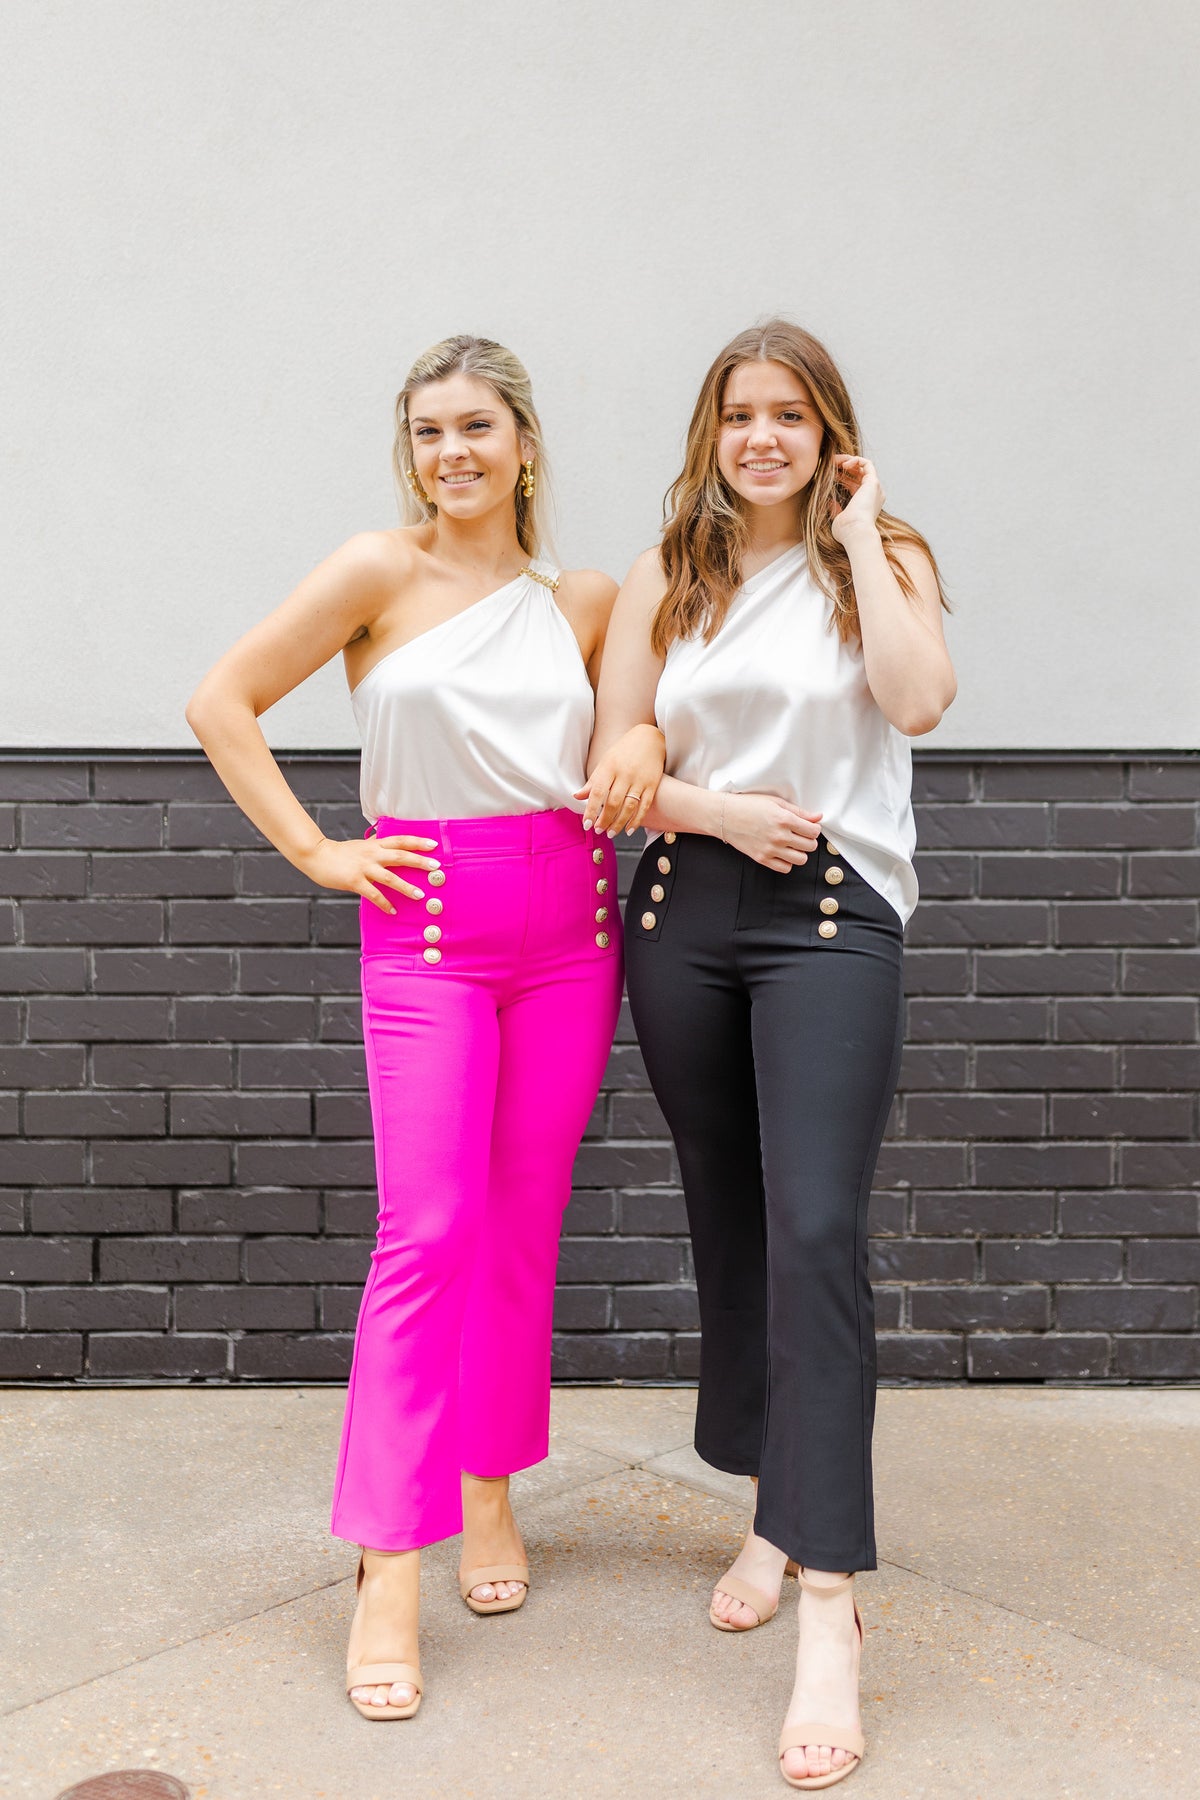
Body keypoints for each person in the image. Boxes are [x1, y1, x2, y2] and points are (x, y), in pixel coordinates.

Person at [186, 335, 664, 1722]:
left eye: (476, 428)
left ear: (525, 442)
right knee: (427, 1233)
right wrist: (317, 851)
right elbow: (221, 701)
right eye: (429, 432)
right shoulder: (375, 571)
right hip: (430, 930)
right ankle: (389, 1563)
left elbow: (630, 740)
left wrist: (642, 746)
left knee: (520, 1225)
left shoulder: (583, 599)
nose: (452, 453)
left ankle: (489, 1485)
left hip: (571, 932)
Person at [583, 320, 955, 1789]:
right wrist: (717, 810)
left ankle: (830, 1604)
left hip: (833, 916)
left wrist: (858, 535)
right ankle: (770, 1509)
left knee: (813, 1229)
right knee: (731, 1225)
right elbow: (610, 769)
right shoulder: (668, 578)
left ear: (829, 435)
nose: (762, 437)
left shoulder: (885, 559)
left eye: (790, 415)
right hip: (682, 908)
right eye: (739, 414)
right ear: (710, 433)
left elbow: (918, 702)